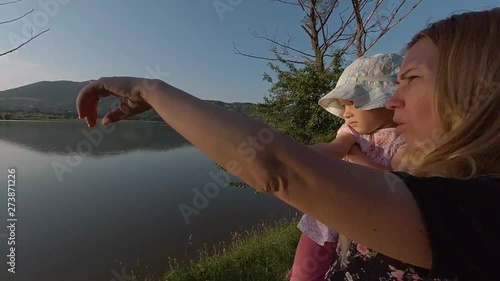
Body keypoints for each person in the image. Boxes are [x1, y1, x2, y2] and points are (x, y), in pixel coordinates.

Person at [75, 8, 500, 281]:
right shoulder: (455, 185)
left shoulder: (483, 210)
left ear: (475, 85)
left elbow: (277, 168)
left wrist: (150, 90)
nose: (391, 99)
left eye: (412, 79)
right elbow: (290, 165)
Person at [287, 53, 408, 281]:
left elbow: (395, 182)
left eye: (353, 102)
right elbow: (334, 148)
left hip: (362, 224)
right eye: (343, 106)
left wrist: (355, 154)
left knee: (343, 267)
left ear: (386, 101)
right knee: (304, 273)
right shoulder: (350, 132)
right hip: (325, 217)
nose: (346, 113)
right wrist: (299, 156)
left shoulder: (402, 141)